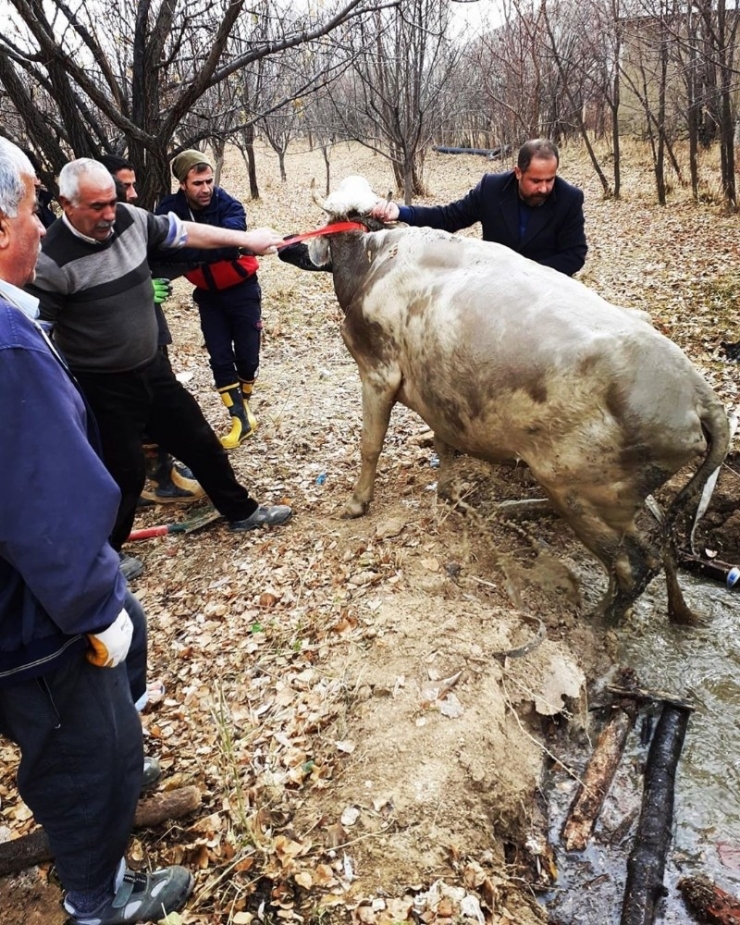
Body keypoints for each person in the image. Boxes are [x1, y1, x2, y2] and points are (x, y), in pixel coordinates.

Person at [0, 138, 192, 925]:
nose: (40, 226)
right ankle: (97, 897)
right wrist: (90, 608)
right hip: (30, 616)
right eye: (29, 207)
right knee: (84, 751)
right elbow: (39, 499)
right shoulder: (6, 347)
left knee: (133, 637)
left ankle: (126, 746)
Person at [27, 158, 292, 568]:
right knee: (123, 473)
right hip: (103, 384)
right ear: (65, 203)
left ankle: (241, 512)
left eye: (112, 202)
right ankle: (103, 559)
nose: (109, 214)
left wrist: (245, 238)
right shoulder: (50, 260)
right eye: (96, 207)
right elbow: (38, 334)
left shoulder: (131, 219)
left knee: (201, 442)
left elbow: (184, 232)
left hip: (151, 366)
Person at [99, 154, 204, 512]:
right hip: (123, 344)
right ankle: (157, 479)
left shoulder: (129, 221)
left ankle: (166, 467)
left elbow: (172, 249)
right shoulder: (93, 233)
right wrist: (141, 289)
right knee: (146, 408)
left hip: (149, 331)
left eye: (132, 183)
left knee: (160, 401)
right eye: (123, 185)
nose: (132, 192)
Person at [156, 150, 263, 448]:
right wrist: (209, 247)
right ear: (182, 184)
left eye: (209, 181)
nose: (205, 189)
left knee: (247, 355)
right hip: (208, 295)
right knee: (219, 355)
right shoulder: (168, 208)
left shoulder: (228, 203)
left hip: (243, 291)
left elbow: (231, 242)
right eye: (197, 183)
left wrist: (190, 247)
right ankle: (238, 418)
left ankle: (247, 408)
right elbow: (163, 248)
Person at [372, 138, 587, 277]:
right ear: (518, 173)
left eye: (550, 180)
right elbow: (449, 217)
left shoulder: (569, 198)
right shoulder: (492, 188)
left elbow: (574, 254)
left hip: (547, 289)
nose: (544, 188)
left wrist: (527, 271)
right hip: (493, 285)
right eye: (536, 181)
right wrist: (401, 212)